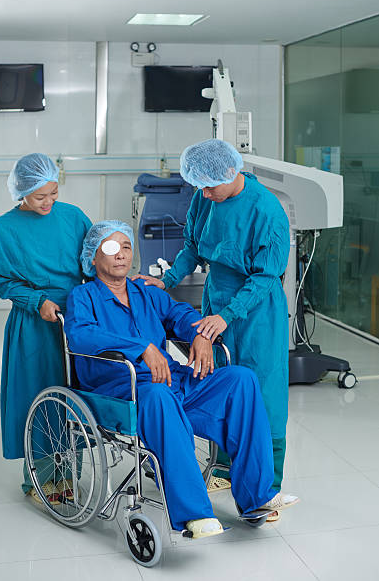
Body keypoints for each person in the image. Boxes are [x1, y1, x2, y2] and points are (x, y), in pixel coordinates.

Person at [64, 220, 299, 537]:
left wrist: (201, 335)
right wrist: (142, 348)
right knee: (159, 395)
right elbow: (81, 336)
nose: (120, 254)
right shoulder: (83, 296)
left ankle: (257, 497)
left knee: (240, 380)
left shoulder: (145, 292)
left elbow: (180, 314)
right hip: (121, 389)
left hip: (169, 381)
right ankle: (194, 514)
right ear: (93, 257)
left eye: (126, 247)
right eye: (110, 248)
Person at [133, 139, 296, 520]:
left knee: (263, 392)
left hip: (256, 308)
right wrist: (167, 279)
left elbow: (266, 276)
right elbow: (191, 246)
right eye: (199, 187)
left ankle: (267, 486)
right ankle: (223, 470)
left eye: (209, 187)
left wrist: (228, 315)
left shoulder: (266, 209)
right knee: (219, 383)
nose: (203, 194)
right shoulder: (205, 198)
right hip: (216, 298)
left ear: (230, 171)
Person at [0, 153, 91, 503]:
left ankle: (69, 472)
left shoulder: (73, 217)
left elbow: (92, 264)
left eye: (54, 193)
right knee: (37, 395)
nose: (49, 202)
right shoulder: (3, 229)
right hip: (33, 324)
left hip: (75, 320)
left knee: (73, 393)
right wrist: (35, 300)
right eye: (40, 196)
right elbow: (1, 280)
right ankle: (40, 478)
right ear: (21, 192)